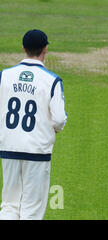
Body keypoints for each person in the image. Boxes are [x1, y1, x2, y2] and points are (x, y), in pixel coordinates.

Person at [0, 29, 67, 219]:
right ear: (45, 49)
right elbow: (60, 119)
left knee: (9, 205)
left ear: (23, 48)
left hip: (9, 148)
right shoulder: (51, 80)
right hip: (37, 151)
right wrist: (55, 128)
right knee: (32, 209)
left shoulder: (4, 76)